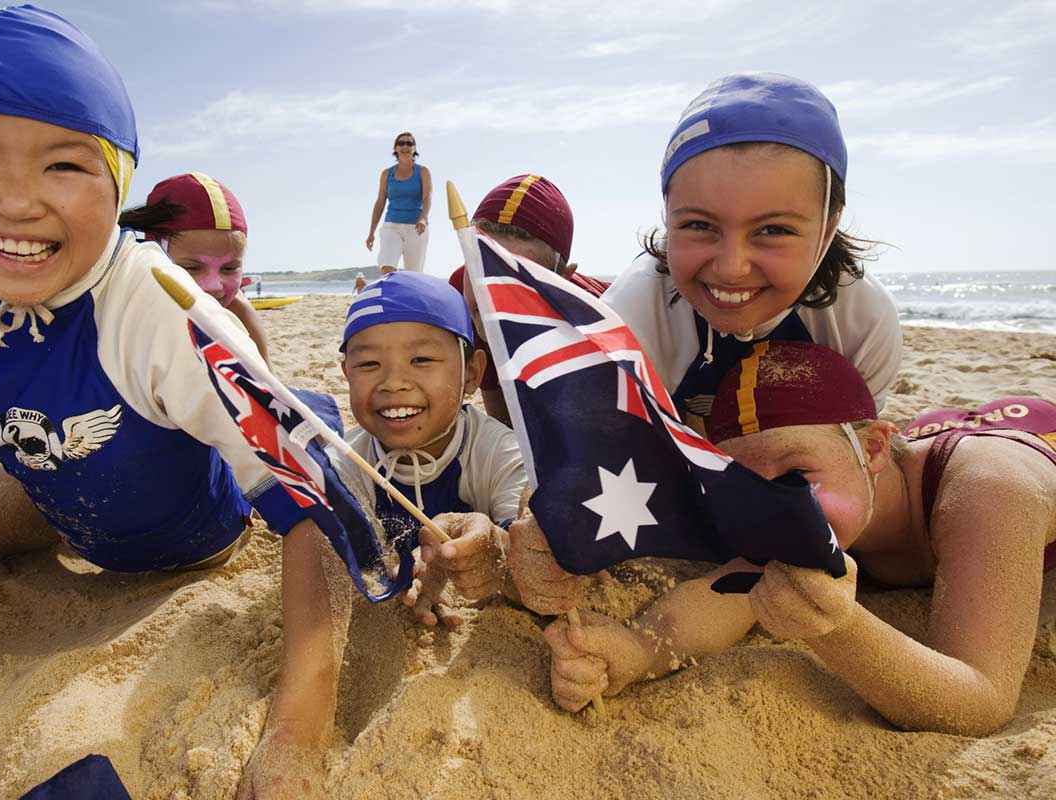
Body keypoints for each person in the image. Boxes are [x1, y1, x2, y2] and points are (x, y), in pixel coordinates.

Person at [0, 5, 327, 693]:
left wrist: (300, 728)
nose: (17, 201)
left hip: (198, 542)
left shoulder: (162, 309)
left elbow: (313, 505)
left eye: (62, 165)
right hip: (62, 509)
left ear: (117, 183)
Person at [543, 341, 1056, 736]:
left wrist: (838, 628)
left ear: (875, 449)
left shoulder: (987, 488)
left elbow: (981, 702)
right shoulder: (821, 493)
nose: (778, 508)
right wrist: (635, 649)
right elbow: (730, 593)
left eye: (797, 476)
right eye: (749, 490)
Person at [238, 271, 533, 798]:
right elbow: (334, 549)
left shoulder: (497, 451)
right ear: (344, 371)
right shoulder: (349, 461)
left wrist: (490, 549)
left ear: (472, 373)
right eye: (369, 363)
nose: (393, 382)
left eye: (422, 360)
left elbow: (522, 544)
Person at [602, 73, 902, 434]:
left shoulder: (862, 323)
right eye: (699, 225)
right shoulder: (630, 321)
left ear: (828, 226)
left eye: (773, 230)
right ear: (668, 215)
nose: (731, 268)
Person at [448, 173, 608, 425]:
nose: (492, 294)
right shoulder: (462, 289)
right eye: (481, 266)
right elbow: (504, 414)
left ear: (562, 279)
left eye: (519, 277)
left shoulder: (597, 324)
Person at [120, 172, 271, 363]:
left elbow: (268, 381)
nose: (214, 286)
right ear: (154, 255)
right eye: (191, 268)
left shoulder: (239, 312)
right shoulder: (126, 303)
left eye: (229, 268)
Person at [364, 132, 431, 274]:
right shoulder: (387, 174)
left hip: (416, 228)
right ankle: (390, 295)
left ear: (414, 148)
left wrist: (423, 218)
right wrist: (371, 232)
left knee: (414, 274)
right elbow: (380, 203)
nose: (405, 146)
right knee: (387, 265)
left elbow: (427, 197)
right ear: (395, 148)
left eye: (409, 143)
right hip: (391, 225)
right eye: (401, 143)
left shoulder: (422, 172)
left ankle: (409, 296)